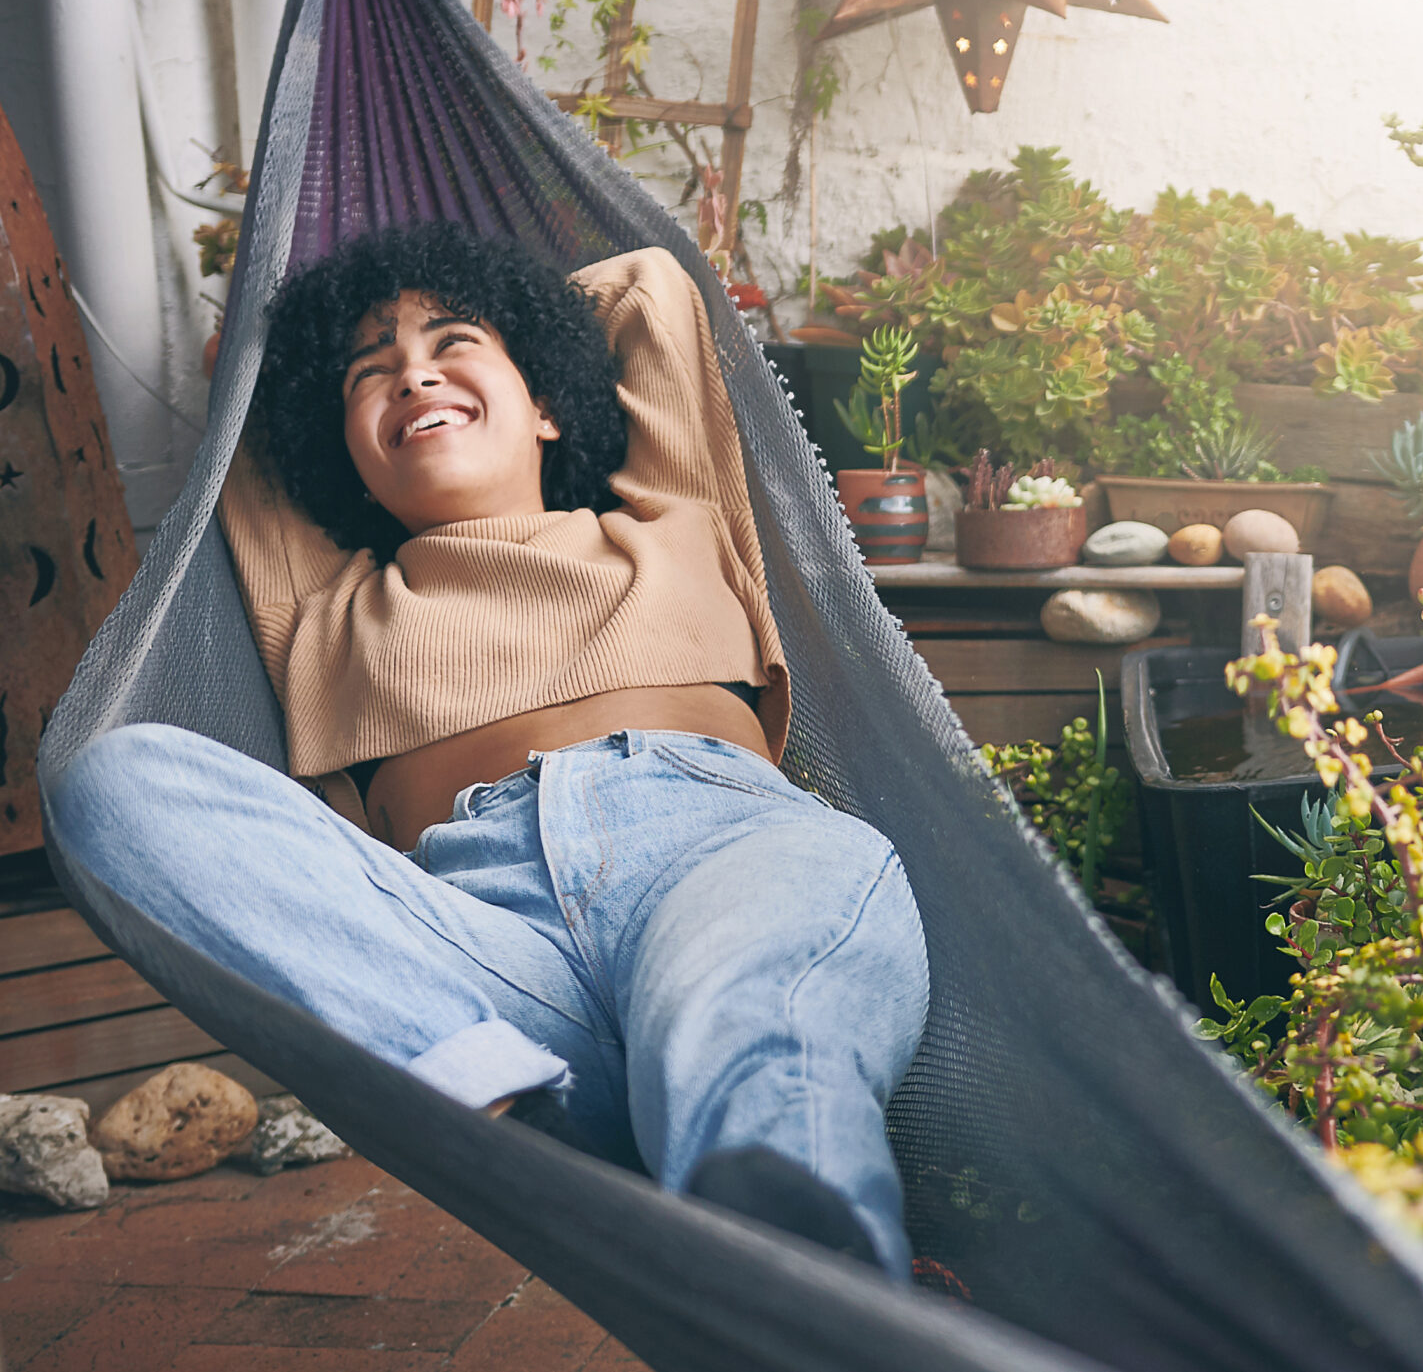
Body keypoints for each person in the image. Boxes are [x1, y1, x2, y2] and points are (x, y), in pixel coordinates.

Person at [46, 222, 929, 1279]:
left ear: (552, 402)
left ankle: (794, 1256)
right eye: (370, 374)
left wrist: (485, 322)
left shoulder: (669, 517)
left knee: (741, 1016)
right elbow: (247, 403)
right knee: (109, 779)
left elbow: (647, 289)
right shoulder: (325, 606)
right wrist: (396, 348)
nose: (413, 371)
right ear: (344, 461)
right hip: (485, 950)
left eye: (453, 343)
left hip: (720, 853)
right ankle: (507, 1116)